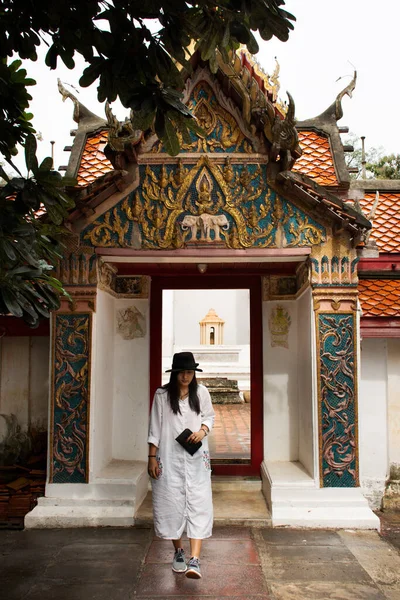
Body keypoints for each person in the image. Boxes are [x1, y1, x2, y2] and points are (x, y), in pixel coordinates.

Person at [147, 351, 215, 579]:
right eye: (182, 372)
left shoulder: (202, 392)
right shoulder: (162, 395)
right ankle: (178, 551)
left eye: (189, 372)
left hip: (197, 460)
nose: (186, 377)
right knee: (171, 502)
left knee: (198, 501)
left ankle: (195, 560)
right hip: (169, 457)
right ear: (174, 373)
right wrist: (151, 457)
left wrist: (202, 431)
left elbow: (209, 417)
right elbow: (154, 428)